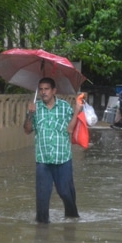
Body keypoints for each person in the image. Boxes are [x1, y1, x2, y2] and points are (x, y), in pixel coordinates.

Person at [24, 77, 82, 224]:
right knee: (42, 197)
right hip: (43, 159)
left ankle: (72, 219)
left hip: (62, 158)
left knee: (66, 193)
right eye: (41, 89)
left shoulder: (64, 107)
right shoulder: (35, 108)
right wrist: (30, 114)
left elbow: (71, 129)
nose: (43, 92)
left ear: (54, 91)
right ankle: (42, 231)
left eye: (46, 89)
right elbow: (27, 130)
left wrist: (76, 111)